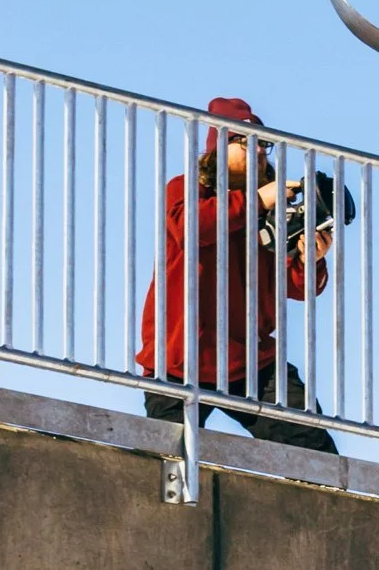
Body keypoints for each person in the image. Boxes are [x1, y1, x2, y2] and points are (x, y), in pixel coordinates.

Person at [137, 97, 340, 454]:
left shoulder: (273, 208)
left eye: (264, 143)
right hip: (177, 360)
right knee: (162, 459)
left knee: (312, 450)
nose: (259, 151)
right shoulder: (186, 189)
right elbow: (191, 229)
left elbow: (296, 287)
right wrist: (258, 200)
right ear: (217, 148)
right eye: (244, 141)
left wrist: (312, 259)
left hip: (249, 361)